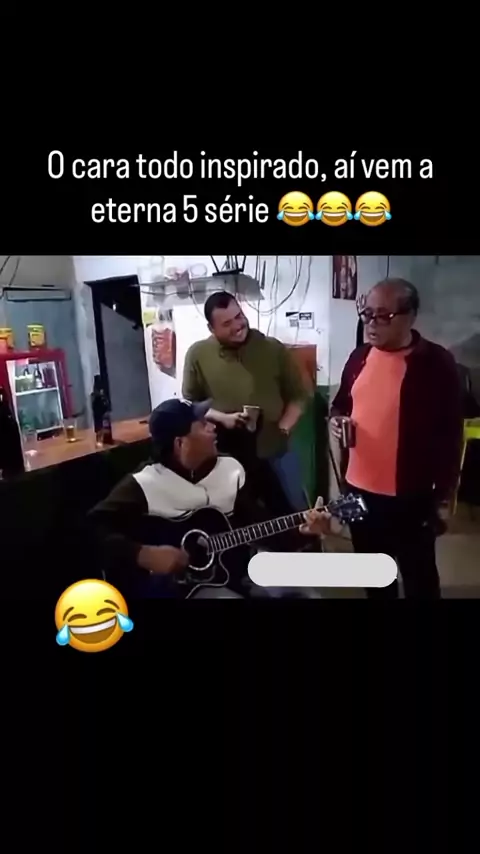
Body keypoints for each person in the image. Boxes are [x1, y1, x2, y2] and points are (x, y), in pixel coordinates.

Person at [89, 398, 331, 599]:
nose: (213, 427)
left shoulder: (230, 470)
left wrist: (304, 532)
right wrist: (142, 553)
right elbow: (92, 529)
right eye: (203, 424)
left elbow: (261, 527)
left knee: (309, 594)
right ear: (180, 443)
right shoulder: (144, 483)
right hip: (180, 588)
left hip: (238, 572)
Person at [330, 278, 463, 600]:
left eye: (384, 316)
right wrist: (337, 420)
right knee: (374, 576)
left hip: (412, 495)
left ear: (410, 316)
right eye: (367, 314)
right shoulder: (359, 357)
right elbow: (341, 404)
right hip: (358, 490)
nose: (372, 324)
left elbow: (450, 434)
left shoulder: (435, 363)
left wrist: (443, 496)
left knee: (420, 577)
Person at [182, 291, 309, 513]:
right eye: (227, 323)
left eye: (239, 316)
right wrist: (223, 418)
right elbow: (191, 405)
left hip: (276, 453)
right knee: (238, 519)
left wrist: (283, 428)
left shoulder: (272, 348)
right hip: (226, 460)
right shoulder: (198, 355)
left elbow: (299, 395)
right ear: (211, 329)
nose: (238, 325)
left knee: (295, 516)